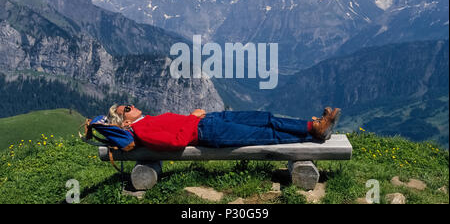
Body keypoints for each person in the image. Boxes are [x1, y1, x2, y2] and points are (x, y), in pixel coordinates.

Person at [106, 104, 341, 151]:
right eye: (126, 109)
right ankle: (311, 136)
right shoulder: (141, 130)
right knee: (262, 135)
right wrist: (191, 118)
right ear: (125, 122)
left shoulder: (146, 120)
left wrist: (194, 117)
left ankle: (313, 126)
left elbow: (174, 129)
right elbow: (175, 142)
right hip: (207, 132)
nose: (131, 105)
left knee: (263, 118)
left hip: (209, 120)